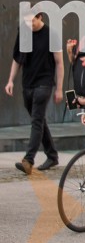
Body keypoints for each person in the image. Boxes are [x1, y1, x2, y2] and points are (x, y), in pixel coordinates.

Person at [6, 11, 63, 174]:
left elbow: (59, 63)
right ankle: (52, 155)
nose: (29, 24)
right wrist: (10, 80)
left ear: (40, 17)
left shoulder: (51, 34)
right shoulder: (24, 33)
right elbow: (17, 60)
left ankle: (28, 160)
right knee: (39, 120)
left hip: (44, 83)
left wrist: (59, 88)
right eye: (26, 21)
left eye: (32, 21)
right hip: (27, 84)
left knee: (36, 121)